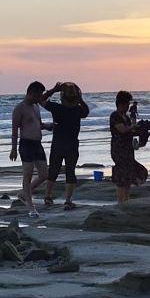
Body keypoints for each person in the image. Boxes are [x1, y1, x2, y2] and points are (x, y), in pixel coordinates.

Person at [41, 81, 90, 210]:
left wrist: (53, 89)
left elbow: (40, 100)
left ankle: (48, 197)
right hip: (72, 145)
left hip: (58, 144)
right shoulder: (78, 110)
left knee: (53, 171)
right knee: (70, 172)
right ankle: (68, 200)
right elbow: (86, 111)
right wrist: (80, 99)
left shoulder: (56, 108)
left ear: (62, 96)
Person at [10, 81, 49, 216]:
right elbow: (14, 130)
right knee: (28, 174)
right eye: (38, 95)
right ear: (31, 93)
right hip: (26, 144)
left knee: (44, 174)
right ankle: (31, 207)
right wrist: (13, 149)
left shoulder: (36, 106)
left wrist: (48, 126)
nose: (40, 98)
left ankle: (23, 194)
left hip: (37, 144)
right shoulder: (19, 108)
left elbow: (39, 124)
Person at [110, 91, 148, 205]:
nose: (128, 107)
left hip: (128, 149)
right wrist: (133, 126)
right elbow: (122, 129)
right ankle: (121, 202)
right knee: (122, 177)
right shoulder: (115, 116)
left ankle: (126, 201)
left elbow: (130, 131)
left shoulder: (125, 117)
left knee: (127, 177)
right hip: (118, 150)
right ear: (120, 104)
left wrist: (142, 131)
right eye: (126, 104)